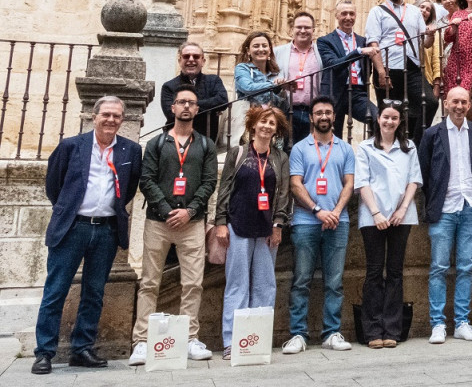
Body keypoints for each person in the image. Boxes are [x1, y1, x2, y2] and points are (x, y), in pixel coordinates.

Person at [31, 97, 142, 375]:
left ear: (122, 120)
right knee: (56, 291)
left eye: (117, 116)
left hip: (106, 229)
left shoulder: (131, 150)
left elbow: (127, 191)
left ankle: (82, 349)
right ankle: (44, 352)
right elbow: (54, 186)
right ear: (95, 116)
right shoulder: (71, 146)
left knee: (94, 292)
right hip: (73, 228)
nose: (111, 120)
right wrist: (70, 212)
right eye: (106, 114)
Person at [128, 85, 218, 365]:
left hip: (192, 223)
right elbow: (147, 179)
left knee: (193, 283)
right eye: (181, 102)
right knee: (149, 282)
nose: (186, 107)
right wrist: (168, 210)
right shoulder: (156, 144)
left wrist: (190, 212)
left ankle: (190, 338)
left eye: (191, 102)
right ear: (173, 107)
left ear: (198, 109)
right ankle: (141, 341)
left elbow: (209, 182)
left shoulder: (205, 144)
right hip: (158, 221)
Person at [212, 104, 291, 360]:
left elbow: (283, 194)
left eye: (272, 123)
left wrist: (278, 224)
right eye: (263, 121)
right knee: (237, 285)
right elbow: (224, 190)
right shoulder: (237, 154)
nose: (267, 126)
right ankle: (232, 341)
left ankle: (257, 340)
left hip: (267, 230)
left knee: (265, 286)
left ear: (276, 130)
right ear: (253, 125)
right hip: (238, 226)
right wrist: (221, 222)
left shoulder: (280, 158)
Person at [283, 97, 356, 354]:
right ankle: (298, 334)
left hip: (338, 222)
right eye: (318, 113)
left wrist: (334, 212)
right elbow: (295, 184)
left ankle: (331, 332)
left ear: (334, 117)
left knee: (334, 281)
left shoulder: (346, 149)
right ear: (312, 118)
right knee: (301, 279)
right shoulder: (301, 148)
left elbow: (349, 183)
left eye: (328, 112)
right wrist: (318, 211)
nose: (323, 116)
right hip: (305, 222)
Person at [417, 86, 472, 342]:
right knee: (438, 267)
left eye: (464, 102)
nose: (459, 106)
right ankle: (438, 323)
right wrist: (434, 198)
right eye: (455, 102)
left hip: (470, 206)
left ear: (469, 106)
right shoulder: (432, 134)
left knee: (466, 267)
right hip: (444, 209)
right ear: (445, 104)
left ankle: (462, 322)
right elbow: (424, 172)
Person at [355, 104, 422, 347]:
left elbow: (414, 180)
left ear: (399, 122)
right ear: (378, 119)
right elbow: (362, 182)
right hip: (372, 217)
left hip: (401, 216)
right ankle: (373, 331)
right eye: (386, 117)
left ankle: (392, 330)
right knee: (374, 272)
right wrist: (376, 213)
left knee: (395, 272)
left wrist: (402, 209)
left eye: (394, 118)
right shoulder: (364, 147)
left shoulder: (409, 147)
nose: (390, 122)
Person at [365, 0, 433, 141]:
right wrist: (380, 71)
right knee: (389, 113)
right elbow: (373, 43)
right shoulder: (377, 12)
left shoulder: (413, 11)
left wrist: (430, 34)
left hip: (412, 66)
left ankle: (415, 144)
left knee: (430, 102)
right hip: (388, 68)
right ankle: (386, 147)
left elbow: (425, 43)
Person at [317, 0, 380, 138]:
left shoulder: (363, 41)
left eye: (352, 13)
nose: (348, 17)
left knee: (377, 118)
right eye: (344, 13)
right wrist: (358, 52)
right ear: (336, 16)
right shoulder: (325, 41)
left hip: (357, 92)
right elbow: (333, 64)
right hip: (335, 92)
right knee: (334, 135)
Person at [160, 41, 229, 141]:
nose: (191, 60)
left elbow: (222, 101)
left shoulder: (213, 80)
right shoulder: (168, 86)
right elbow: (171, 113)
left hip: (206, 140)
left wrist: (185, 105)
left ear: (203, 61)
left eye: (196, 56)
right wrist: (208, 107)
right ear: (179, 61)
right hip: (176, 141)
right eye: (186, 56)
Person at [274, 12, 323, 144]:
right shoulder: (278, 52)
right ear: (292, 30)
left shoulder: (321, 52)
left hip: (312, 112)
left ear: (313, 30)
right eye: (298, 27)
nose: (303, 31)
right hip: (287, 110)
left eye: (307, 28)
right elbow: (269, 77)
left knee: (311, 152)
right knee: (285, 151)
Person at [234, 30, 288, 111]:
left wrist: (281, 87)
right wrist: (273, 85)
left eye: (264, 46)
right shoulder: (242, 68)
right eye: (256, 46)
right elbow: (248, 88)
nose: (261, 49)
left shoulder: (276, 72)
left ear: (269, 50)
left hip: (272, 120)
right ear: (248, 51)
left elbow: (281, 103)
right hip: (249, 119)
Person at [418, 0, 443, 102]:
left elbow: (437, 60)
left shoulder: (434, 33)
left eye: (428, 9)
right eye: (422, 7)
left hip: (426, 79)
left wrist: (437, 85)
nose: (424, 11)